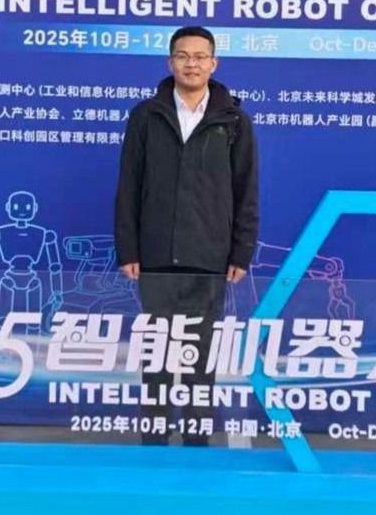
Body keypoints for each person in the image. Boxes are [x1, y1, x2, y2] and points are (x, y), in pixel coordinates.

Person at [114, 25, 259, 446]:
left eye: (199, 56)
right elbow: (129, 186)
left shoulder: (234, 121)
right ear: (170, 62)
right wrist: (128, 249)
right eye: (182, 56)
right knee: (157, 355)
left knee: (199, 357)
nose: (190, 64)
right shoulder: (146, 116)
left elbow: (246, 189)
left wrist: (241, 251)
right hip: (155, 255)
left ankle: (197, 441)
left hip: (209, 257)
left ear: (213, 63)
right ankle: (154, 440)